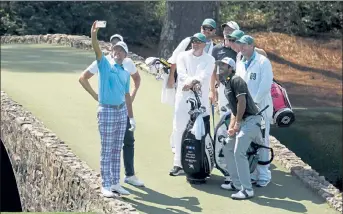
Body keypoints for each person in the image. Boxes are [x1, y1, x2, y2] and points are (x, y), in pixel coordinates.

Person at [78, 21, 135, 197]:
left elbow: (126, 94)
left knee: (117, 148)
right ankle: (105, 184)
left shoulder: (125, 72)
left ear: (125, 55)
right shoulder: (105, 65)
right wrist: (93, 34)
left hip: (121, 111)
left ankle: (115, 183)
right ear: (112, 52)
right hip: (107, 110)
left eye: (121, 50)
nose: (117, 52)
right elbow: (96, 50)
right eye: (115, 50)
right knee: (107, 148)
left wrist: (130, 117)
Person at [166, 18, 217, 153]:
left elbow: (211, 72)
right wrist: (172, 77)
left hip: (202, 90)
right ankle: (176, 148)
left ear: (214, 31)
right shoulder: (188, 41)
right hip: (184, 87)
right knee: (180, 119)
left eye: (209, 29)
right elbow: (174, 59)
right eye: (204, 28)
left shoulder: (214, 47)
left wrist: (212, 89)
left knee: (199, 122)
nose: (206, 31)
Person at [216, 57, 264, 200]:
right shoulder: (227, 85)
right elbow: (234, 110)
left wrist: (237, 124)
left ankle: (247, 190)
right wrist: (232, 127)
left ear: (231, 68)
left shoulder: (237, 80)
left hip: (251, 121)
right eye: (220, 65)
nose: (221, 67)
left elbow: (242, 103)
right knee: (228, 146)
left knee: (239, 152)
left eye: (224, 65)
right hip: (241, 121)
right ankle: (236, 183)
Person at [169, 33, 215, 176]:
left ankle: (200, 163)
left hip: (200, 101)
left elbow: (204, 75)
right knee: (179, 128)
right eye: (194, 41)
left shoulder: (210, 59)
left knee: (200, 130)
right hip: (183, 98)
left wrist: (191, 83)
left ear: (204, 44)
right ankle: (178, 163)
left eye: (198, 42)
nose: (195, 44)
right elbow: (182, 74)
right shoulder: (182, 56)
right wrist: (191, 82)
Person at [235, 35, 274, 187]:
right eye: (240, 45)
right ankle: (251, 173)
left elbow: (265, 86)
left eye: (245, 45)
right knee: (247, 142)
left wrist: (254, 104)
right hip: (244, 109)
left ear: (252, 46)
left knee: (262, 142)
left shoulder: (263, 62)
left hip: (260, 110)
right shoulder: (240, 62)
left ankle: (264, 175)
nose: (242, 47)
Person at [209, 21, 240, 115]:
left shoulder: (240, 49)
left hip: (238, 87)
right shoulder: (216, 49)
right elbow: (213, 70)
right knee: (224, 117)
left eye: (230, 30)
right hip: (223, 87)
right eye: (226, 29)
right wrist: (213, 91)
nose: (227, 32)